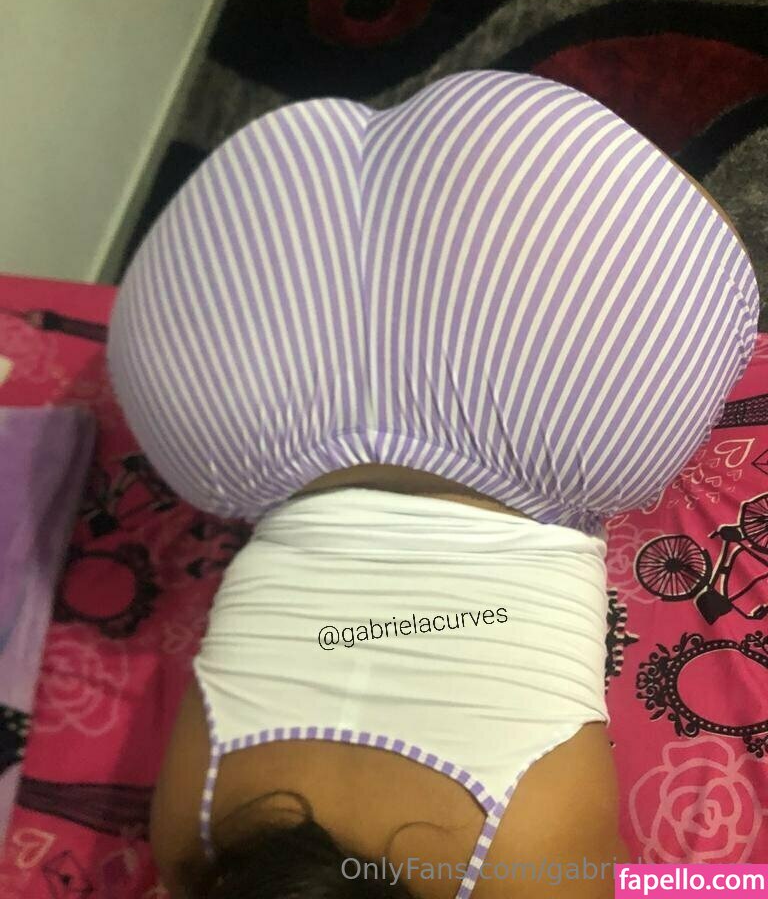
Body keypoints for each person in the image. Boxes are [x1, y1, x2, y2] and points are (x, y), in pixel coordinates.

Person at [106, 69, 760, 898]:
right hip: (236, 391)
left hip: (561, 408)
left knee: (716, 246)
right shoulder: (190, 849)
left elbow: (708, 888)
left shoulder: (534, 880)